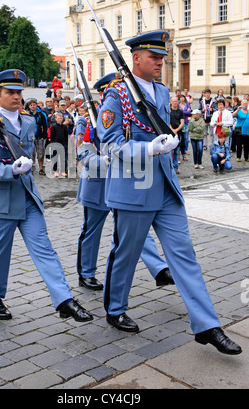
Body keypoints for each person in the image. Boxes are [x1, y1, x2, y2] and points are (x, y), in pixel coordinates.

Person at [96, 31, 241, 355]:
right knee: (127, 254)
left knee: (184, 254)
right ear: (135, 58)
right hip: (134, 188)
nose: (161, 61)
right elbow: (110, 143)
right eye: (154, 56)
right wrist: (148, 148)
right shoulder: (116, 96)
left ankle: (207, 325)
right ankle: (115, 308)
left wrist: (170, 144)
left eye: (162, 56)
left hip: (164, 186)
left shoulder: (161, 92)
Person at [0, 69, 92, 323]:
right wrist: (10, 170)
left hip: (27, 197)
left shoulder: (27, 121)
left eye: (19, 92)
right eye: (10, 92)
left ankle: (64, 300)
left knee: (45, 249)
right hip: (0, 199)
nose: (17, 97)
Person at [76, 74, 174, 292]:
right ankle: (86, 272)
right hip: (98, 183)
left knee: (136, 230)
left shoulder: (125, 114)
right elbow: (83, 155)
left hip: (123, 180)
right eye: (106, 93)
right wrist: (107, 160)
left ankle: (158, 268)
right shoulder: (84, 121)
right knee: (92, 229)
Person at [27, 98, 47, 176]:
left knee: (40, 152)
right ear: (29, 106)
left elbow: (44, 126)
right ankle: (31, 168)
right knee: (31, 153)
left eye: (34, 105)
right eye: (31, 105)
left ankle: (41, 168)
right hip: (30, 136)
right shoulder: (27, 115)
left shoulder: (41, 115)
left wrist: (43, 135)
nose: (33, 106)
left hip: (39, 136)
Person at [50, 111, 68, 178]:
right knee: (55, 158)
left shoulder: (64, 127)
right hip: (55, 144)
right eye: (58, 118)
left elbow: (66, 135)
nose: (60, 119)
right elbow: (52, 136)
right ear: (55, 119)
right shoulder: (53, 126)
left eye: (61, 118)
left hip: (63, 144)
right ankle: (55, 171)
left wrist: (66, 143)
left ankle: (63, 171)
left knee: (63, 158)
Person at [170, 95, 185, 173]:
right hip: (169, 133)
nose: (175, 103)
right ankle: (169, 167)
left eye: (176, 101)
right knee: (169, 151)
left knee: (176, 151)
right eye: (173, 101)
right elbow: (167, 122)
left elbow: (182, 123)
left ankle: (175, 167)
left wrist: (176, 130)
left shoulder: (180, 112)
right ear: (171, 102)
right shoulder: (168, 111)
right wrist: (172, 130)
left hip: (179, 133)